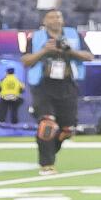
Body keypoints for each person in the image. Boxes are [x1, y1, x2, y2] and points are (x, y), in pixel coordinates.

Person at [24, 9, 91, 174]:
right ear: (44, 21)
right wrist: (44, 51)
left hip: (67, 85)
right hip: (43, 85)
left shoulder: (74, 35)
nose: (55, 20)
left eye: (58, 16)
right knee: (47, 124)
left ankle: (48, 150)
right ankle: (46, 164)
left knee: (67, 129)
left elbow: (89, 56)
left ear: (63, 20)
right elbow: (25, 61)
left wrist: (70, 51)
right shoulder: (36, 37)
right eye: (51, 17)